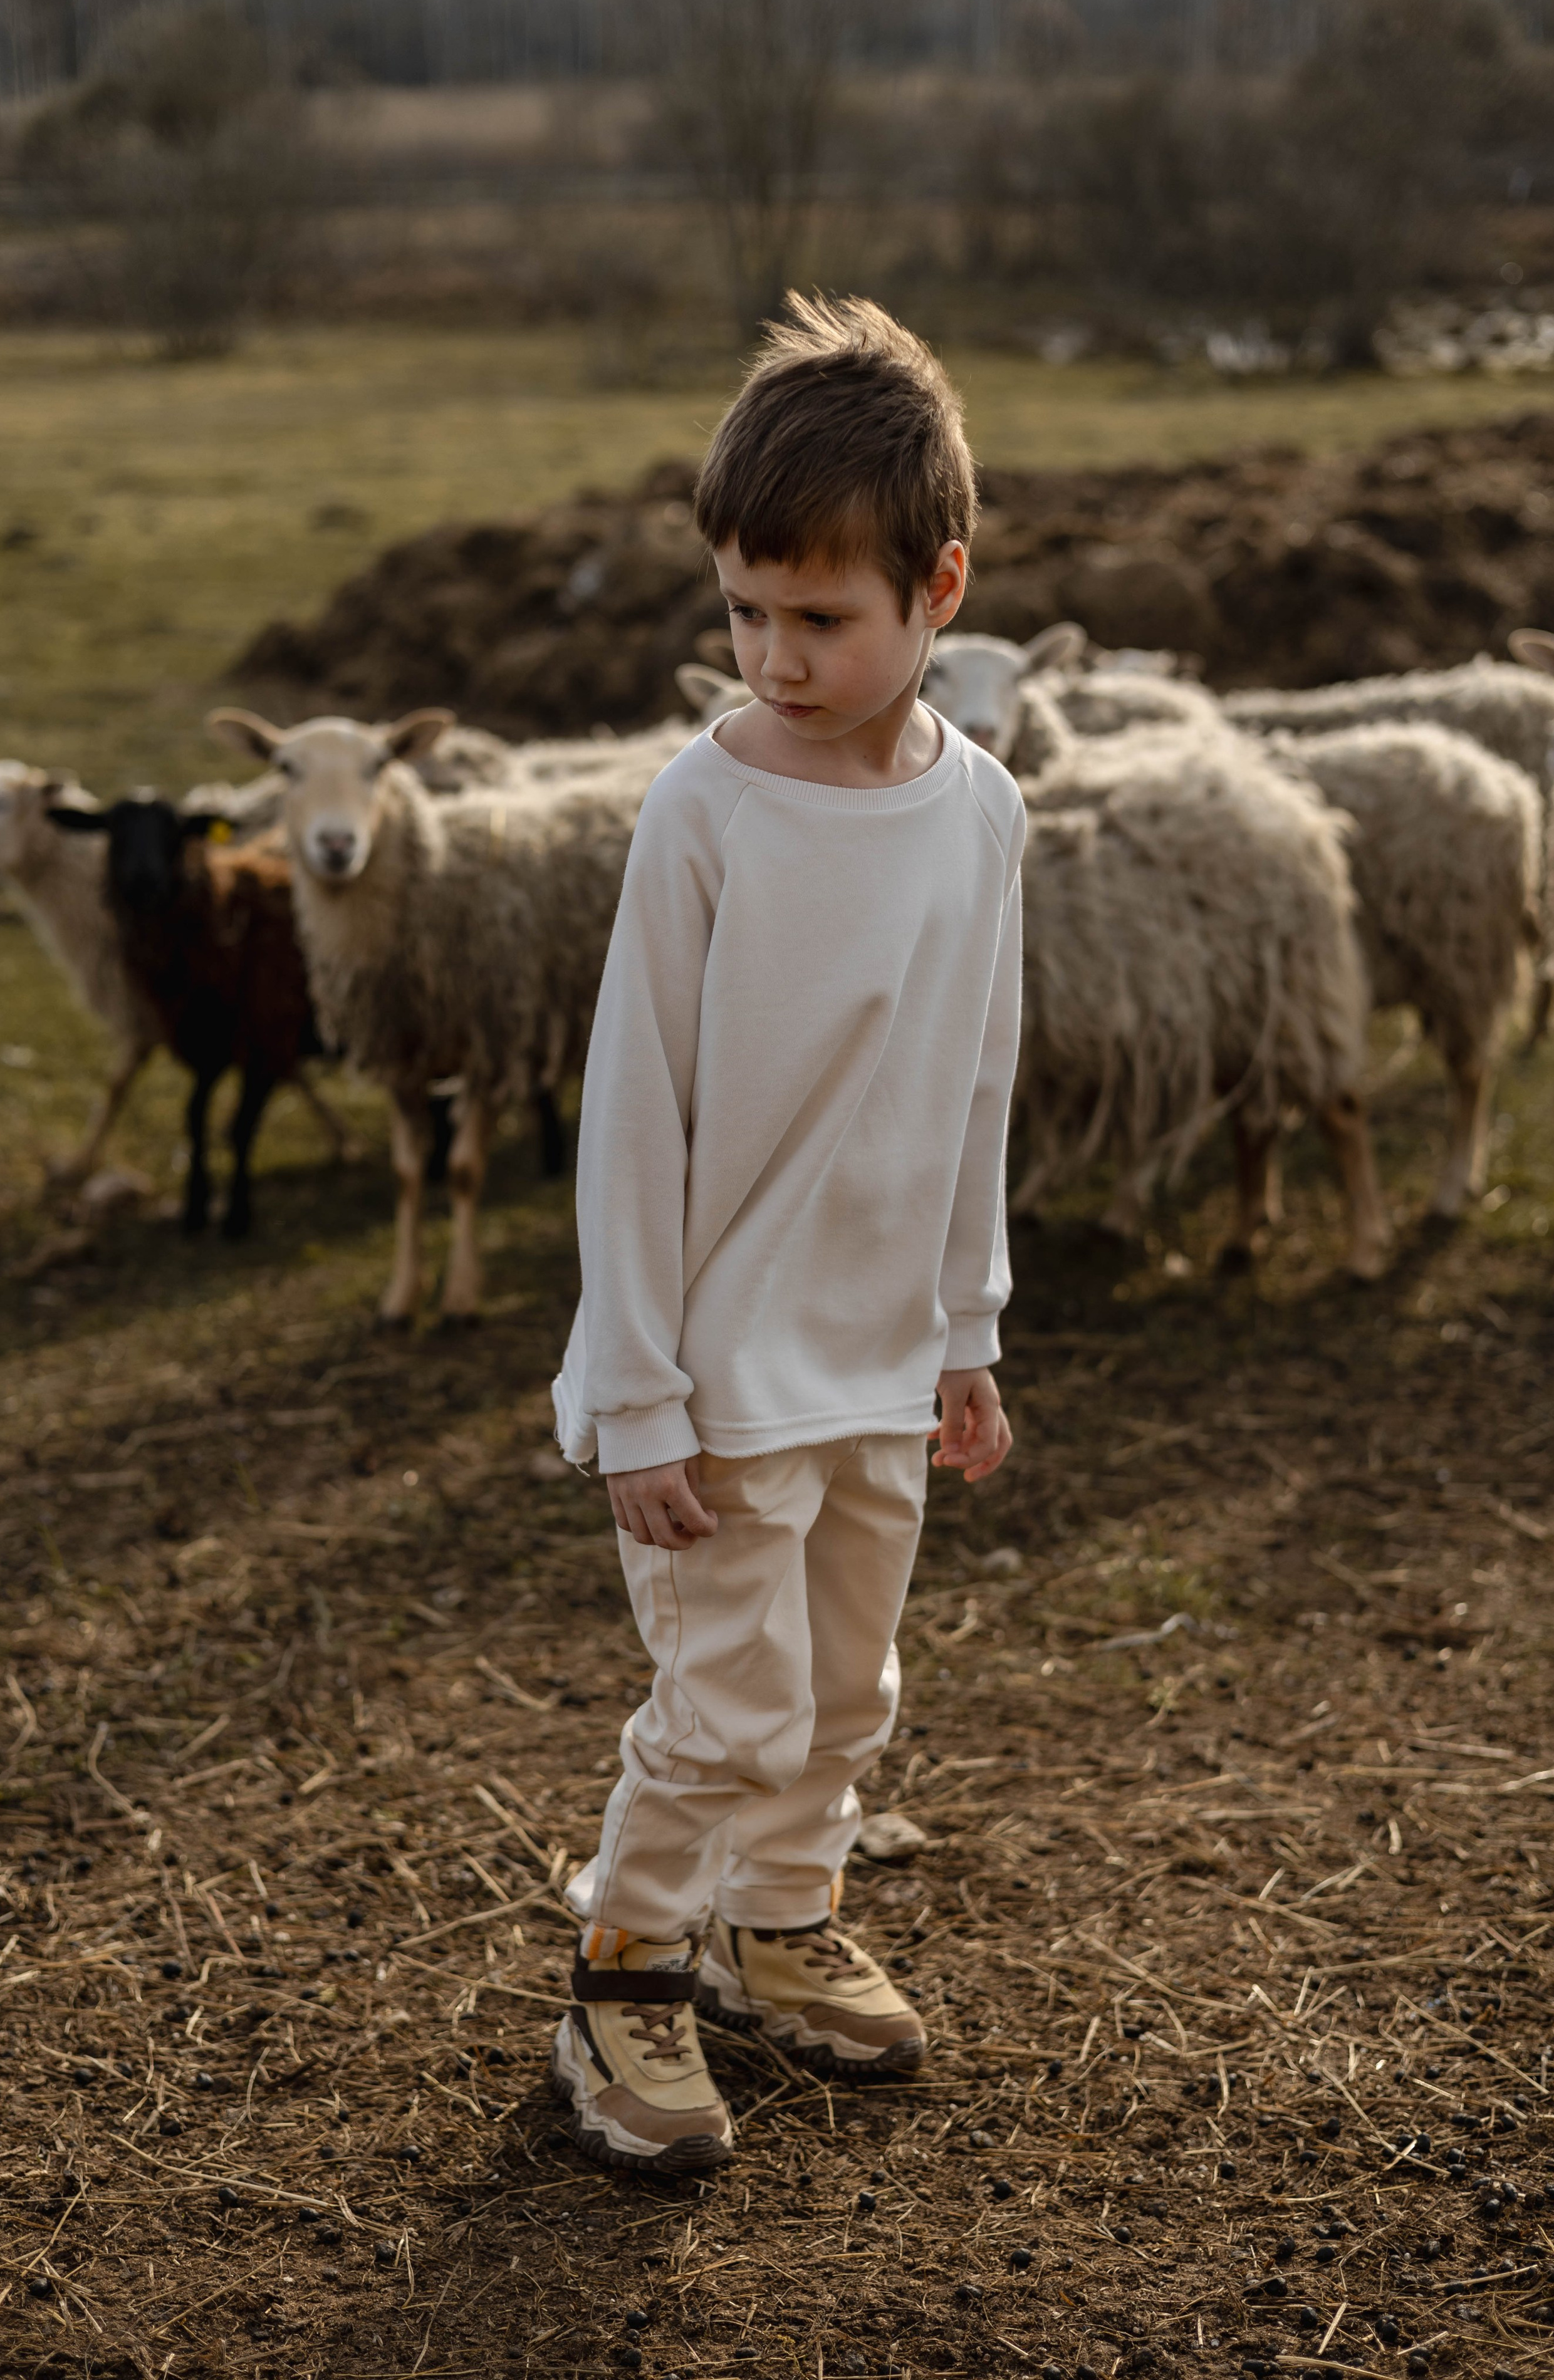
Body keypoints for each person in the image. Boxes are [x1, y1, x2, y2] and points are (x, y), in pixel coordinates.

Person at [549, 293, 1024, 2175]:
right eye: (745, 613)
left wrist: (965, 1329)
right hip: (719, 1368)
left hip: (881, 1355)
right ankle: (625, 1979)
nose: (775, 655)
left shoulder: (982, 815)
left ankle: (779, 1924)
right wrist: (635, 1395)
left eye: (820, 618)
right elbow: (630, 1113)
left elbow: (975, 1081)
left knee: (842, 1692)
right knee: (726, 1703)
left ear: (940, 593)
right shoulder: (706, 808)